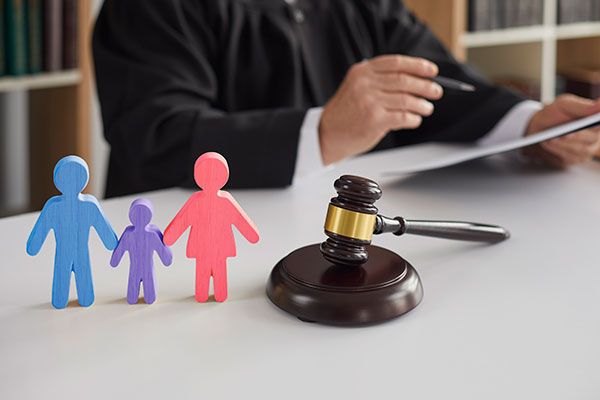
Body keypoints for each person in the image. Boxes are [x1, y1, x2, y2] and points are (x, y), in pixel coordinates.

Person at [93, 0, 600, 198]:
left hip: (339, 239)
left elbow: (433, 82)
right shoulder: (150, 8)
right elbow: (157, 135)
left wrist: (531, 125)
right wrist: (324, 132)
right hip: (189, 260)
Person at [163, 152, 260, 302]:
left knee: (213, 270)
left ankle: (208, 295)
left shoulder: (207, 201)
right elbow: (242, 223)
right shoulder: (209, 201)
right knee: (212, 269)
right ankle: (211, 295)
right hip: (212, 247)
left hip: (209, 247)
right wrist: (252, 236)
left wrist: (169, 238)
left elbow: (180, 224)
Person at [26, 156, 118, 309]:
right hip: (77, 252)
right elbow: (109, 239)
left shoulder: (57, 208)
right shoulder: (84, 206)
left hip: (68, 252)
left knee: (67, 295)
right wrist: (112, 244)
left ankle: (66, 301)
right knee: (82, 293)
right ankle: (74, 300)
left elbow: (37, 238)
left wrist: (33, 248)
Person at [110, 198, 173, 304]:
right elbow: (166, 257)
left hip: (136, 269)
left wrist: (114, 262)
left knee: (136, 297)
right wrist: (167, 258)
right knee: (147, 297)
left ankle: (137, 298)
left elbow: (116, 256)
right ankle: (142, 298)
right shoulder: (150, 234)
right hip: (144, 269)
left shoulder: (130, 234)